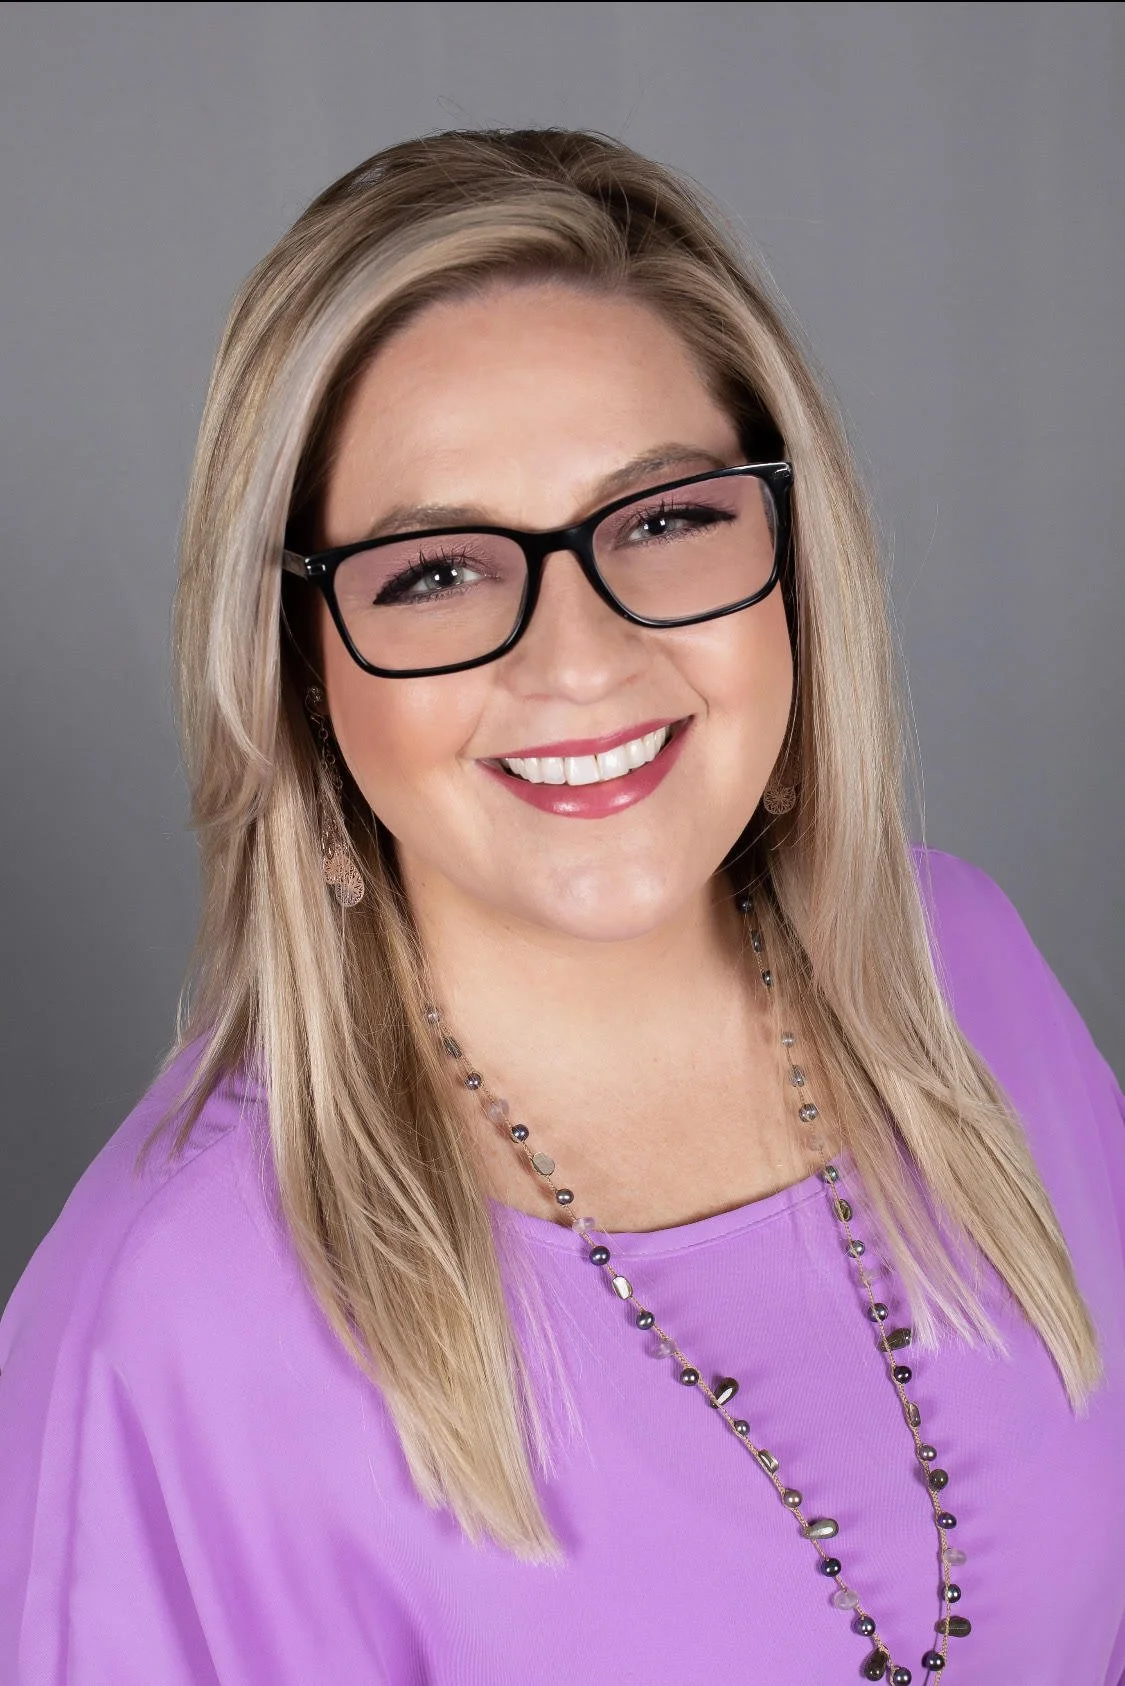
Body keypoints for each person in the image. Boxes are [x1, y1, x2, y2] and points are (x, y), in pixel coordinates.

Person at [1, 127, 1122, 1686]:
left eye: (665, 521)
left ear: (795, 559)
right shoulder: (171, 1319)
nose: (579, 658)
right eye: (436, 570)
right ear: (300, 675)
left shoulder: (965, 970)